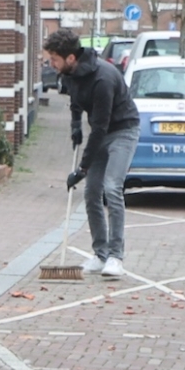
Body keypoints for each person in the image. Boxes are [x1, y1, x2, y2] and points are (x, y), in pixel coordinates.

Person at [43, 28, 140, 278]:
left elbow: (99, 127)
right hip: (102, 131)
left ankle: (116, 258)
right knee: (92, 192)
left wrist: (82, 169)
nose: (50, 64)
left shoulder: (103, 79)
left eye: (54, 59)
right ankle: (100, 254)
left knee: (111, 188)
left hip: (123, 131)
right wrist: (75, 125)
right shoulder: (70, 74)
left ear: (71, 58)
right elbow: (75, 102)